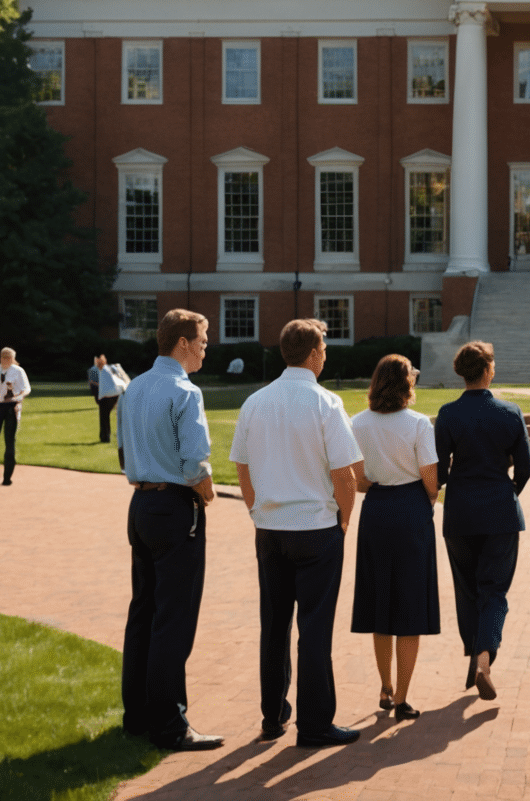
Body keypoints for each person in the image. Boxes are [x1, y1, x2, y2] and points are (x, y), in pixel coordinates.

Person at [232, 317, 364, 748]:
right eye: (323, 349)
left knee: (274, 625)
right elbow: (345, 475)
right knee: (314, 630)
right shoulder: (326, 403)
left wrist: (256, 509)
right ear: (312, 355)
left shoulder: (255, 401)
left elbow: (242, 466)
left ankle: (273, 716)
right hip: (316, 527)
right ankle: (314, 723)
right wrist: (344, 520)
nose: (325, 354)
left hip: (270, 528)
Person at [118, 307, 225, 753]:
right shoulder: (185, 391)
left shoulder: (135, 387)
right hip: (174, 506)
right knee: (173, 619)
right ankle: (169, 724)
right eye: (201, 340)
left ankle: (137, 714)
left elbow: (123, 454)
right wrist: (207, 494)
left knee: (143, 610)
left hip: (140, 503)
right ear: (182, 342)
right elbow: (195, 462)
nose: (205, 347)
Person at [344, 351, 441, 721]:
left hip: (377, 508)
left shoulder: (357, 423)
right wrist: (428, 498)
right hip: (411, 508)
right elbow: (430, 475)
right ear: (407, 384)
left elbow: (358, 476)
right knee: (411, 605)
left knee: (380, 599)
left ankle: (384, 685)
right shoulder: (418, 424)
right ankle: (402, 696)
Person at [436, 341, 530, 701]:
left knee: (467, 590)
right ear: (488, 371)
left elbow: (439, 469)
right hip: (500, 512)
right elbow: (524, 468)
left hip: (460, 513)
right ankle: (484, 657)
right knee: (494, 589)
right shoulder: (510, 412)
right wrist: (509, 493)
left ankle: (476, 656)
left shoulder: (447, 414)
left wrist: (455, 485)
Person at [0, 348, 32, 487]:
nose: (5, 359)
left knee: (9, 442)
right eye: (3, 356)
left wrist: (19, 397)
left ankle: (7, 477)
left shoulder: (18, 371)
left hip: (11, 407)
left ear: (13, 358)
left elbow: (27, 388)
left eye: (8, 357)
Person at [94, 354, 128, 443]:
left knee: (104, 417)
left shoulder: (100, 369)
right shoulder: (112, 368)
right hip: (119, 393)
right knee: (121, 416)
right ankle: (125, 436)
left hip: (107, 396)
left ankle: (105, 437)